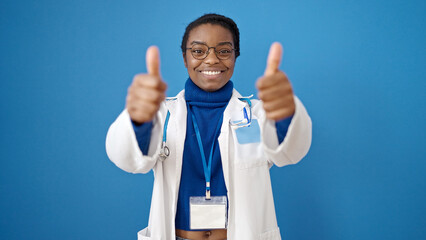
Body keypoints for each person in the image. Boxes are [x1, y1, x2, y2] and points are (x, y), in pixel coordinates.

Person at [106, 13, 312, 240]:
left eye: (223, 51)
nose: (212, 59)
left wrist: (287, 113)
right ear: (185, 58)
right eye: (198, 51)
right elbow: (127, 158)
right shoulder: (161, 115)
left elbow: (290, 152)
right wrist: (138, 121)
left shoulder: (256, 114)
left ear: (235, 57)